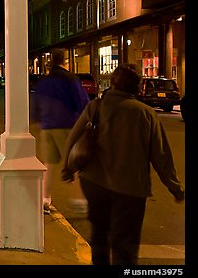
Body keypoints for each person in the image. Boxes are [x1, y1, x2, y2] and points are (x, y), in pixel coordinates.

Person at [61, 64, 184, 265]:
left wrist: (68, 168)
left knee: (99, 235)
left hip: (94, 184)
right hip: (130, 190)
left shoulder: (96, 107)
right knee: (125, 243)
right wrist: (175, 188)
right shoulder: (146, 113)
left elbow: (73, 138)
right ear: (136, 87)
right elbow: (161, 156)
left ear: (113, 84)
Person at [32, 49, 90, 214]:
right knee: (75, 163)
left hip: (47, 126)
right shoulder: (70, 79)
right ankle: (80, 200)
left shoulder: (44, 81)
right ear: (65, 61)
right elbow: (82, 101)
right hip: (67, 126)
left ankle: (45, 198)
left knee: (49, 164)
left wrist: (38, 119)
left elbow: (36, 101)